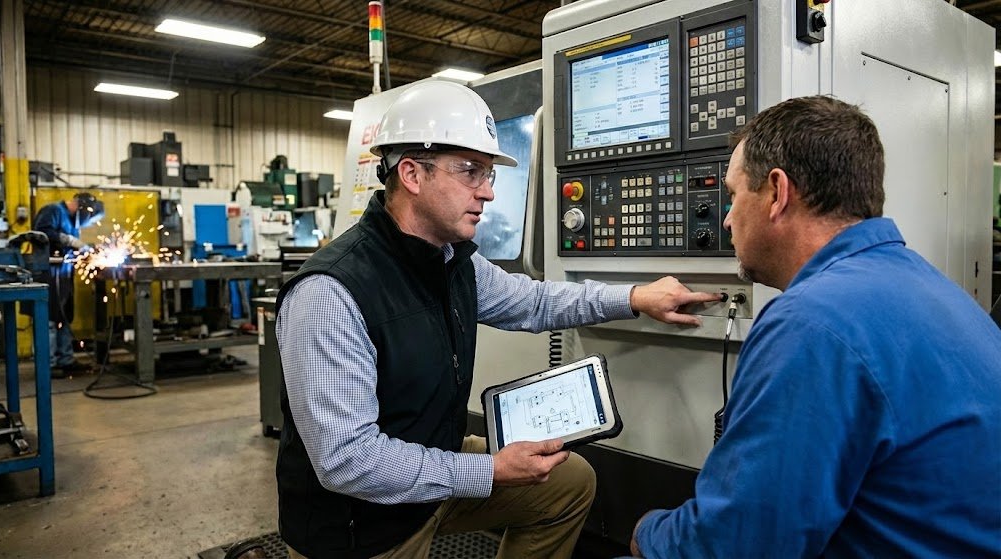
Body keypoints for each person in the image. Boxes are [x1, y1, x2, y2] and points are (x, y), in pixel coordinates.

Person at [275, 80, 721, 559]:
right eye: (471, 172)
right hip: (360, 526)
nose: (487, 192)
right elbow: (347, 461)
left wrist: (635, 297)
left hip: (432, 470)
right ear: (411, 174)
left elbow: (534, 302)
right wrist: (489, 470)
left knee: (567, 482)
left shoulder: (452, 263)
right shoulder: (330, 293)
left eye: (489, 174)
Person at [629, 96, 1001, 557]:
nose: (726, 218)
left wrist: (647, 533)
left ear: (777, 193)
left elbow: (737, 545)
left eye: (732, 195)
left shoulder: (811, 323)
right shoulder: (936, 291)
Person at [33, 192, 103, 376]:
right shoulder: (52, 211)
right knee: (49, 319)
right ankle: (49, 365)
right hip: (48, 272)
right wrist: (69, 240)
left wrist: (86, 251)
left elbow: (73, 249)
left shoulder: (72, 220)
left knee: (64, 316)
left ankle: (66, 360)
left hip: (64, 273)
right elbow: (41, 233)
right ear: (81, 207)